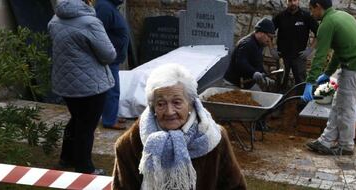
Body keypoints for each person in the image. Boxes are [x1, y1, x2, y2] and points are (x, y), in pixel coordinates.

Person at [112, 64, 246, 190]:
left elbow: (235, 187)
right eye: (161, 104)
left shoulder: (214, 137)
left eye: (176, 102)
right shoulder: (130, 144)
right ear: (153, 107)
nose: (169, 111)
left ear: (190, 103)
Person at [48, 0, 116, 174]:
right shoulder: (90, 22)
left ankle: (66, 159)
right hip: (90, 85)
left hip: (65, 82)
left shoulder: (56, 18)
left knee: (76, 120)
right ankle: (85, 168)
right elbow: (109, 55)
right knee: (86, 126)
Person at [301, 0, 356, 155]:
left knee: (346, 108)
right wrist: (328, 72)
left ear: (318, 7)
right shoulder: (342, 15)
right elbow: (339, 51)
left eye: (311, 10)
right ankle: (325, 141)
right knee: (338, 104)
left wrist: (310, 82)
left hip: (355, 68)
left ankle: (346, 146)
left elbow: (320, 56)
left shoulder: (326, 24)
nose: (311, 13)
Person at [95, 0, 130, 130]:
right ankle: (109, 120)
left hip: (113, 57)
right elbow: (99, 34)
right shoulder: (105, 7)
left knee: (111, 89)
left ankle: (111, 116)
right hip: (109, 58)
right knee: (112, 90)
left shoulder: (110, 6)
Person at [272, 0, 318, 90]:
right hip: (282, 57)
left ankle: (300, 102)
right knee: (281, 83)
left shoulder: (306, 16)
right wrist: (271, 49)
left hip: (299, 56)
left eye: (295, 0)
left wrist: (310, 49)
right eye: (290, 1)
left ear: (298, 1)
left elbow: (319, 34)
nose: (292, 3)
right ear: (286, 2)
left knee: (301, 83)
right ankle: (280, 101)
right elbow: (268, 32)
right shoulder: (280, 16)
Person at [224, 17, 275, 90]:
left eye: (271, 38)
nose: (269, 40)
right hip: (234, 84)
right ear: (260, 32)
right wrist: (254, 73)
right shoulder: (247, 43)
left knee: (260, 97)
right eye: (269, 37)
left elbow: (257, 63)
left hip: (247, 84)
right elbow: (240, 62)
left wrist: (264, 75)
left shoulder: (259, 44)